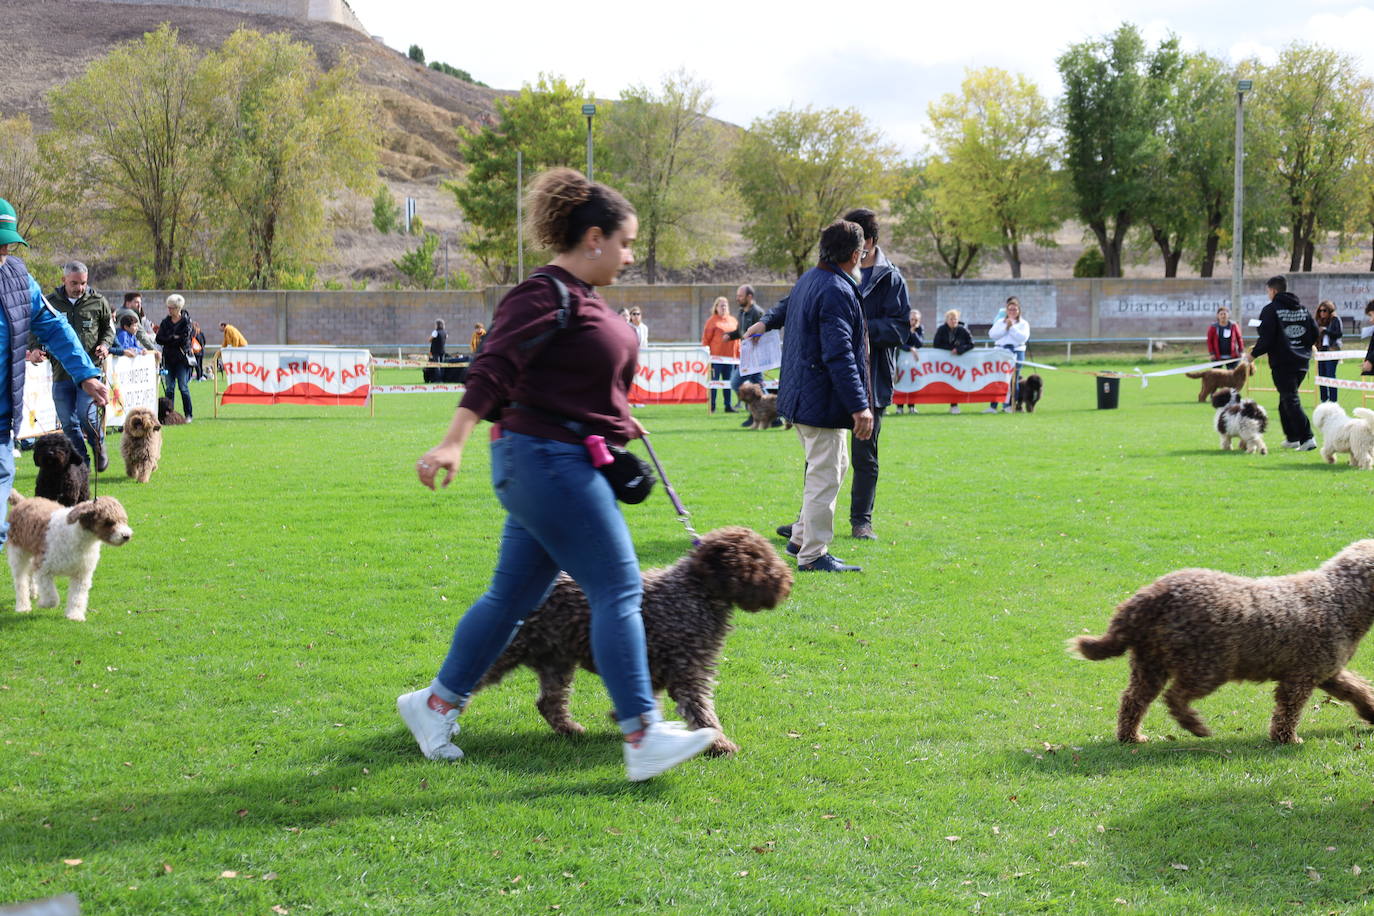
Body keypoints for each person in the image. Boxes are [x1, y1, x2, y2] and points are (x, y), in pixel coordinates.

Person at [399, 167, 718, 780]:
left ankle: (434, 705)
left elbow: (575, 381)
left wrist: (621, 422)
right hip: (543, 460)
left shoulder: (589, 300)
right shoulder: (543, 293)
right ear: (592, 237)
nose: (630, 256)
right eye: (625, 243)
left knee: (513, 596)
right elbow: (493, 366)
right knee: (620, 589)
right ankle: (642, 733)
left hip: (559, 459)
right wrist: (452, 441)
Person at [744, 219, 873, 573]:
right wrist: (860, 405)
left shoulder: (813, 279)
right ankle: (813, 554)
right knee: (825, 474)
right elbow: (839, 353)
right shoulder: (834, 288)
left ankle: (801, 537)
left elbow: (788, 306)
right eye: (861, 253)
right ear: (854, 254)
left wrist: (766, 321)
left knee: (834, 466)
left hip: (805, 395)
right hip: (820, 399)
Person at [0, 197, 109, 548]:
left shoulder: (17, 276)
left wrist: (86, 373)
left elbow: (53, 325)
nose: (4, 248)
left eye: (8, 241)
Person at [842, 208, 909, 541]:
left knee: (864, 455)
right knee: (823, 456)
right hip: (836, 377)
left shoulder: (890, 278)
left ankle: (861, 521)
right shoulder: (839, 272)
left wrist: (862, 330)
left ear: (869, 240)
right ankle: (806, 521)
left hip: (873, 381)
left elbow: (900, 329)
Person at [38, 261, 113, 470]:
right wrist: (35, 349)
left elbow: (109, 328)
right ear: (63, 280)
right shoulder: (50, 302)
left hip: (89, 373)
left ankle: (98, 446)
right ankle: (82, 463)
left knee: (85, 415)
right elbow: (35, 330)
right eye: (74, 283)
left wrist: (105, 344)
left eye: (83, 283)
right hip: (61, 373)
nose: (79, 288)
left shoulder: (98, 301)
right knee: (69, 424)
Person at [1248, 275, 1317, 450]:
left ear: (1273, 290)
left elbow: (1266, 337)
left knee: (1290, 399)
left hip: (1283, 362)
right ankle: (1292, 437)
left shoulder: (1271, 310)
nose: (1268, 295)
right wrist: (1304, 347)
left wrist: (1253, 355)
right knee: (1285, 399)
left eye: (1268, 291)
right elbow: (1315, 332)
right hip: (1301, 362)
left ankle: (1307, 438)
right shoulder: (1303, 309)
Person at [726, 285, 765, 425]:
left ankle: (756, 413)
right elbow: (740, 332)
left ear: (749, 297)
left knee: (735, 383)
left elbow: (764, 332)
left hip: (754, 357)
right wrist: (729, 336)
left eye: (740, 296)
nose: (737, 298)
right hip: (745, 355)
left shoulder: (758, 313)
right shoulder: (741, 312)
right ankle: (772, 416)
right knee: (758, 386)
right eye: (737, 296)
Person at [985, 296, 1028, 413]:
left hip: (1016, 352)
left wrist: (1012, 328)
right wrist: (1005, 328)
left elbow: (1022, 338)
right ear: (1006, 311)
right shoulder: (1000, 322)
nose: (1012, 312)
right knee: (997, 380)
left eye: (1015, 309)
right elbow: (992, 335)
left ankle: (1009, 405)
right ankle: (993, 406)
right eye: (1010, 309)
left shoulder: (1023, 324)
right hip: (1000, 352)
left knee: (1013, 380)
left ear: (1019, 311)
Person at [156, 294, 195, 422]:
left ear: (178, 308)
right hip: (168, 359)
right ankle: (169, 415)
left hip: (181, 360)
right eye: (168, 307)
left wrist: (170, 339)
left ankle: (188, 414)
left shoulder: (186, 321)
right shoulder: (165, 322)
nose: (169, 310)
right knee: (169, 388)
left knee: (183, 387)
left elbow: (185, 340)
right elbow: (159, 338)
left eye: (172, 307)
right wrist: (173, 337)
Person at [701, 296, 739, 413]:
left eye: (725, 305)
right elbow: (706, 340)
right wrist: (706, 356)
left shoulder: (733, 320)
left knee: (728, 382)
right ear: (716, 307)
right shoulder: (712, 321)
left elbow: (738, 339)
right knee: (714, 382)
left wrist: (738, 355)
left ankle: (728, 406)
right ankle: (712, 406)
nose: (723, 307)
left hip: (731, 358)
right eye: (721, 305)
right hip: (716, 359)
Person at [932, 309, 973, 414]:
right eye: (951, 319)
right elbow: (936, 344)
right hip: (944, 363)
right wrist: (950, 349)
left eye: (955, 319)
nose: (953, 321)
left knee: (956, 382)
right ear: (947, 320)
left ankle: (954, 405)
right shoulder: (941, 330)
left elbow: (971, 344)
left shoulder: (963, 330)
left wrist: (959, 350)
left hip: (959, 362)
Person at [895, 309, 924, 415]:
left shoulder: (920, 329)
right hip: (901, 360)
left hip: (913, 363)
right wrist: (910, 349)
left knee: (913, 382)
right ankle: (899, 406)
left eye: (916, 320)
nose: (914, 322)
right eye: (912, 319)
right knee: (901, 383)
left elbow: (920, 343)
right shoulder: (903, 327)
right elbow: (900, 343)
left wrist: (913, 333)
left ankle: (912, 406)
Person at [1314, 300, 1342, 403]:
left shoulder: (1335, 319)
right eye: (1320, 311)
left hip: (1333, 349)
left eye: (1324, 310)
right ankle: (1324, 400)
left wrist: (1326, 331)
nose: (1322, 313)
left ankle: (1333, 401)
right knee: (1321, 376)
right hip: (1322, 350)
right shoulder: (1319, 321)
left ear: (1330, 310)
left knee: (1330, 375)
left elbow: (1339, 334)